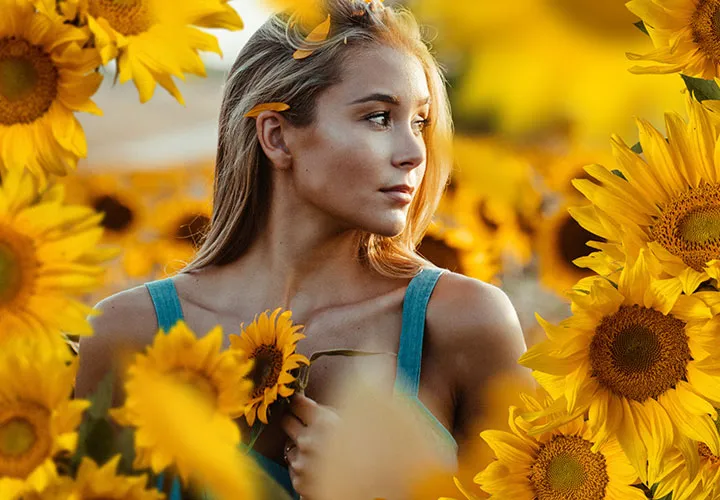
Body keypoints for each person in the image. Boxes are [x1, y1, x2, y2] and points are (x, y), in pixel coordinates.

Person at [75, 0, 529, 498]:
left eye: (419, 121)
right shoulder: (127, 335)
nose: (414, 152)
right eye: (378, 117)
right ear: (277, 136)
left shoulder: (465, 324)